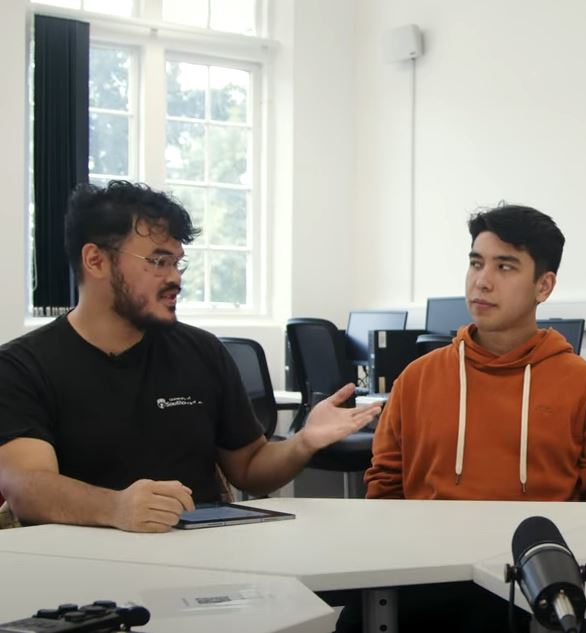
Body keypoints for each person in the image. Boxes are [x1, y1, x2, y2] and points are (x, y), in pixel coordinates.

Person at [0, 181, 380, 533]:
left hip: (204, 561)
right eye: (158, 261)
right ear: (96, 261)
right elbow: (28, 488)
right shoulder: (22, 367)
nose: (175, 278)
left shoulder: (202, 352)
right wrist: (117, 507)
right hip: (83, 569)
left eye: (177, 262)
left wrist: (303, 442)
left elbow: (249, 468)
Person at [365, 204, 586, 501]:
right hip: (431, 546)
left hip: (536, 547)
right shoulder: (415, 381)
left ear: (544, 286)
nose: (482, 281)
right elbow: (385, 492)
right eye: (476, 264)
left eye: (504, 267)